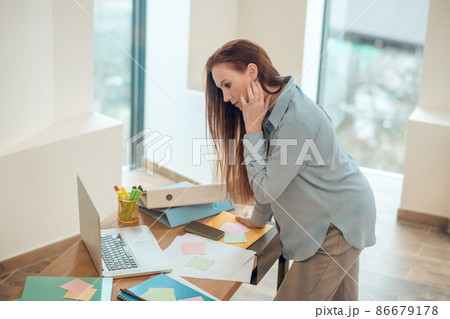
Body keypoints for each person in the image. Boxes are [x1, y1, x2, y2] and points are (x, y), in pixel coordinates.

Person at [204, 39, 376, 301]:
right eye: (221, 90)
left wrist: (252, 131)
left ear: (252, 71)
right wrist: (258, 220)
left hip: (336, 224)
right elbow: (272, 177)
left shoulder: (296, 119)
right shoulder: (273, 109)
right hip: (344, 212)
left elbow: (264, 189)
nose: (226, 98)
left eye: (227, 85)